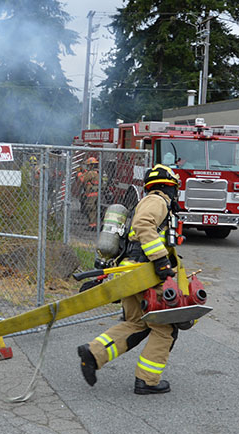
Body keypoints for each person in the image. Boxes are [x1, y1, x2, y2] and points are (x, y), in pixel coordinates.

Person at [77, 163, 184, 395]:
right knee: (165, 328)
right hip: (144, 274)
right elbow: (143, 225)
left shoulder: (148, 200)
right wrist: (161, 261)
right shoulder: (158, 200)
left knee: (136, 323)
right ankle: (147, 381)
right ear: (170, 186)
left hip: (131, 273)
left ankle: (94, 353)